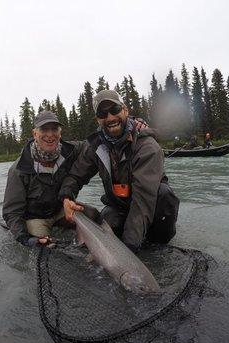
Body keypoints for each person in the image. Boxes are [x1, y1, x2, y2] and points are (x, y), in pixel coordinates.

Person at [59, 90, 179, 252]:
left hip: (151, 206)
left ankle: (149, 241)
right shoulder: (95, 146)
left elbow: (142, 204)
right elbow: (75, 175)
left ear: (125, 110)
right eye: (103, 113)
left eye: (115, 110)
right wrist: (67, 197)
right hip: (119, 207)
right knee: (108, 220)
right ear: (98, 119)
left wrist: (128, 250)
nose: (110, 117)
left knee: (164, 194)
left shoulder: (148, 147)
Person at [2, 110, 82, 247]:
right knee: (43, 246)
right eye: (44, 129)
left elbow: (92, 145)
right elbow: (12, 212)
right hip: (36, 218)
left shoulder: (70, 151)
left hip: (61, 210)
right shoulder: (18, 169)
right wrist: (24, 237)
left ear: (60, 133)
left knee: (92, 215)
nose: (50, 135)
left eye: (54, 129)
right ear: (35, 134)